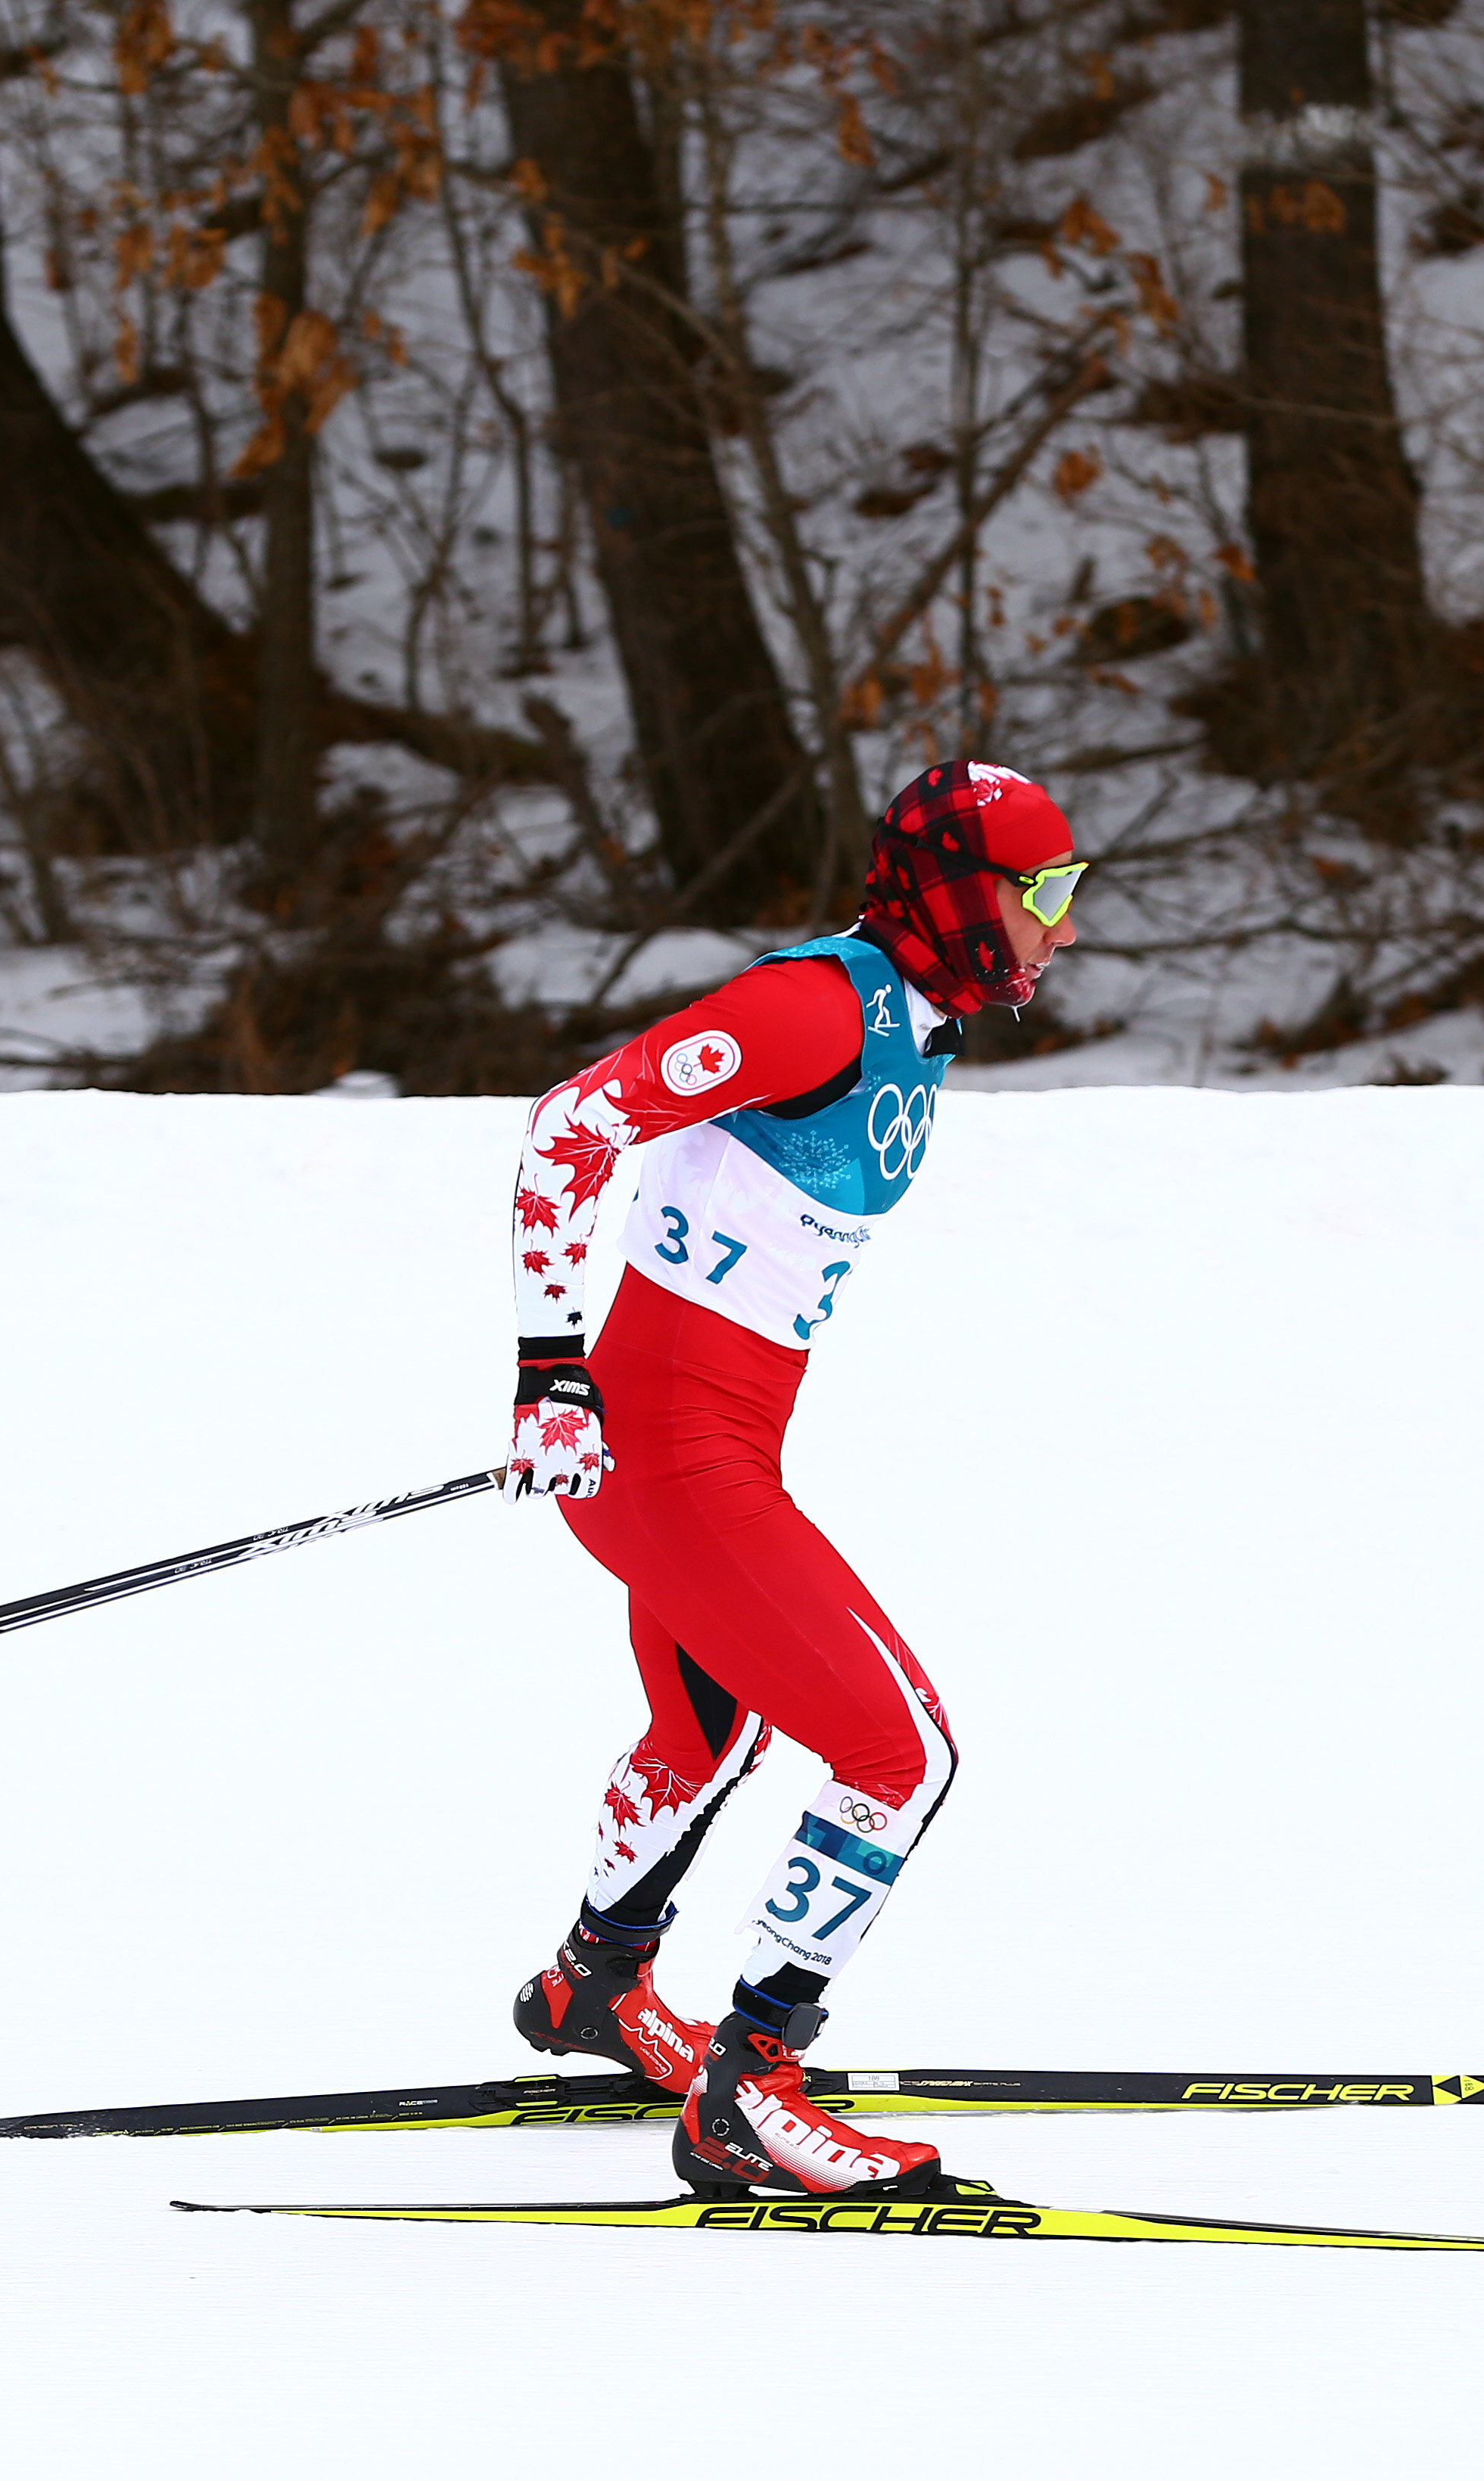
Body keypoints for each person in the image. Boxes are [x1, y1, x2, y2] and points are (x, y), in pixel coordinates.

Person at [499, 759, 1085, 2200]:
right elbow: (570, 1125)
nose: (1062, 931)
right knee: (903, 1755)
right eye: (1046, 896)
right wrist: (545, 1370)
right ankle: (749, 2086)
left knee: (712, 1728)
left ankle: (594, 1983)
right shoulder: (809, 1008)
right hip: (665, 1456)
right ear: (959, 898)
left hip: (702, 1451)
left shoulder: (917, 1019)